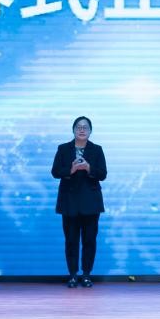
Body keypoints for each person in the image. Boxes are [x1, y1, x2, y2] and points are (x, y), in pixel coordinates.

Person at [50, 116, 107, 287]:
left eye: (85, 127)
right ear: (73, 130)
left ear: (90, 131)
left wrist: (89, 168)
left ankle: (87, 275)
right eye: (78, 127)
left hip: (91, 202)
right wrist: (71, 169)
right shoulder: (63, 149)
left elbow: (103, 174)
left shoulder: (97, 149)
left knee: (89, 240)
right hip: (69, 202)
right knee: (71, 240)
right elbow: (55, 172)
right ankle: (73, 275)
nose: (82, 130)